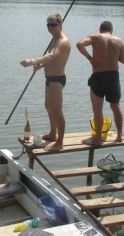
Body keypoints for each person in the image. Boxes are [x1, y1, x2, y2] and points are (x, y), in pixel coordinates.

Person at [20, 13, 71, 151]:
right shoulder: (54, 39)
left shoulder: (63, 41)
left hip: (57, 79)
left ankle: (60, 142)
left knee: (57, 110)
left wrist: (32, 62)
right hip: (49, 79)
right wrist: (40, 66)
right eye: (48, 24)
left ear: (60, 25)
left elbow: (50, 56)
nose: (50, 27)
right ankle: (53, 133)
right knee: (48, 106)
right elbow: (51, 61)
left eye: (53, 24)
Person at [76, 21, 124, 146]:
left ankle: (98, 139)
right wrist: (113, 55)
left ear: (100, 30)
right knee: (116, 106)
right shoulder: (119, 41)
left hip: (98, 76)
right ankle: (119, 135)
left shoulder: (95, 37)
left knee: (97, 109)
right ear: (112, 31)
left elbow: (79, 44)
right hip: (113, 77)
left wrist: (90, 59)